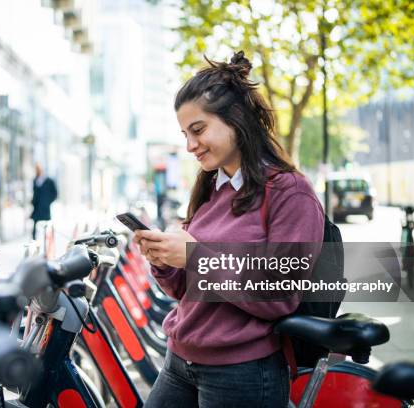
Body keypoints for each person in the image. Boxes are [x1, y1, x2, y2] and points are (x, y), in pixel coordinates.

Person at [133, 51, 324, 407]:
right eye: (185, 134)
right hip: (180, 360)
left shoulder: (290, 192)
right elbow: (184, 289)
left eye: (198, 130)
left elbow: (279, 293)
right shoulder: (211, 190)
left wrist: (194, 255)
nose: (190, 145)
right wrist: (163, 259)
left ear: (235, 120)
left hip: (242, 372)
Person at [30, 164, 58, 240]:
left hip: (45, 207)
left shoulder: (49, 181)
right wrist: (33, 201)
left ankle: (48, 239)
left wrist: (48, 201)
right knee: (35, 224)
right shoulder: (35, 180)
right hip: (37, 207)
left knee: (47, 224)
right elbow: (35, 193)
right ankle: (34, 239)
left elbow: (55, 193)